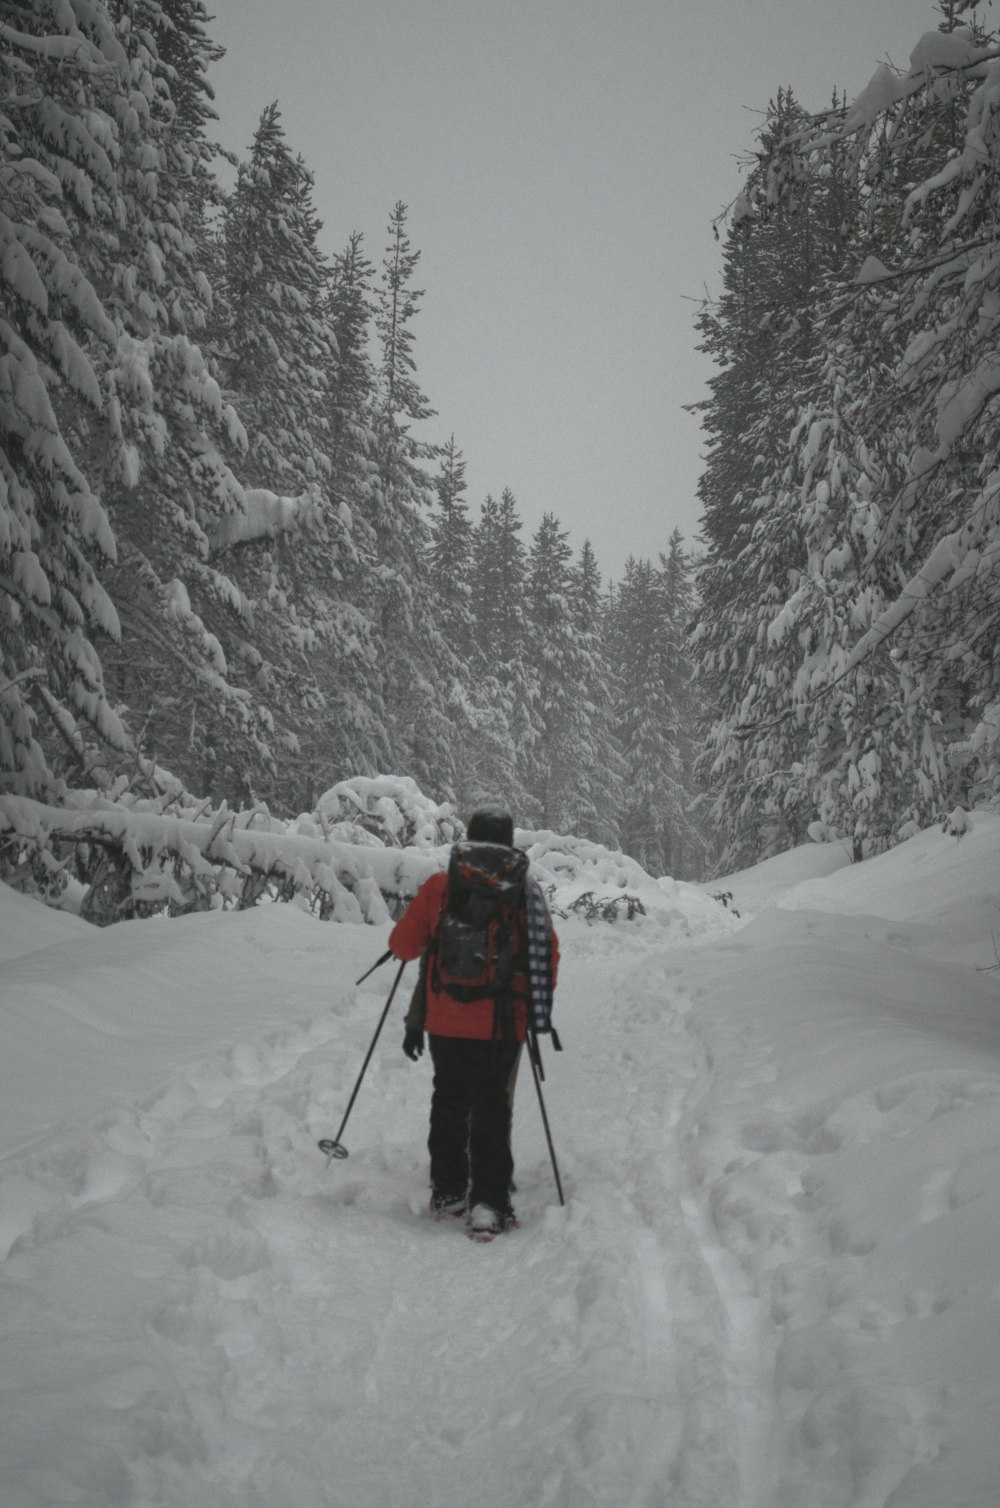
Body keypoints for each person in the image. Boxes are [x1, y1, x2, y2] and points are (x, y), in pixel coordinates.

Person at [389, 807, 559, 1238]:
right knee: (491, 1111)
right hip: (501, 1025)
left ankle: (448, 1192)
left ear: (468, 838)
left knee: (447, 1103)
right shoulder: (523, 892)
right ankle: (489, 1204)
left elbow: (403, 946)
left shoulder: (441, 887)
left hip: (445, 1020)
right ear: (509, 842)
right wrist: (533, 1013)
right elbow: (547, 957)